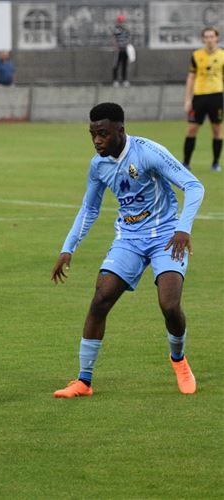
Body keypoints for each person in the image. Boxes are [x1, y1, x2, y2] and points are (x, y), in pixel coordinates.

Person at [51, 102, 205, 399]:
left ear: (120, 131)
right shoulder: (98, 166)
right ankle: (84, 381)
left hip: (166, 236)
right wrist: (67, 248)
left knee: (170, 305)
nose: (97, 141)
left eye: (103, 134)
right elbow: (89, 208)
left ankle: (179, 361)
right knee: (100, 298)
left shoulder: (148, 152)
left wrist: (183, 228)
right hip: (129, 239)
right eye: (93, 134)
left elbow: (194, 186)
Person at [183, 27, 224, 172]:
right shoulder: (196, 55)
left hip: (216, 96)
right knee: (192, 129)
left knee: (217, 130)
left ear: (217, 38)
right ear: (203, 39)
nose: (209, 39)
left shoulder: (222, 55)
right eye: (206, 37)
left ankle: (215, 163)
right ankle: (186, 163)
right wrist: (188, 100)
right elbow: (191, 77)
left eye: (212, 36)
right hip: (199, 97)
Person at [111, 15, 131, 87]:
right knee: (116, 65)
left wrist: (128, 46)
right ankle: (115, 80)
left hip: (125, 49)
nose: (121, 23)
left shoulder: (126, 29)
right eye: (120, 21)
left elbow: (128, 38)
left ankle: (124, 80)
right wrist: (116, 46)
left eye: (122, 21)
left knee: (124, 65)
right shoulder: (116, 29)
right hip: (118, 50)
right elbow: (113, 38)